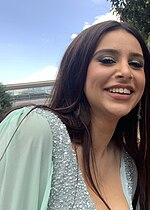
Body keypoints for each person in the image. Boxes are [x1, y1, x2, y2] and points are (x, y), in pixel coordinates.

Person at [0, 20, 150, 210]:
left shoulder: (130, 166)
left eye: (136, 64)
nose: (126, 72)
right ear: (77, 70)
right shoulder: (35, 129)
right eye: (107, 60)